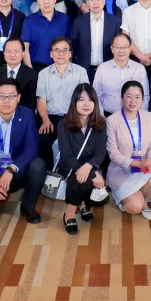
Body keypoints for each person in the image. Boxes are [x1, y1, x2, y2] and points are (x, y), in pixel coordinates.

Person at [0, 79, 46, 223]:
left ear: (18, 98)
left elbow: (32, 148)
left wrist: (12, 168)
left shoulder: (26, 115)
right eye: (2, 96)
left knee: (38, 165)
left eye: (11, 96)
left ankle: (28, 207)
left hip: (16, 169)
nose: (6, 101)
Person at [56, 84, 110, 233]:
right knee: (82, 178)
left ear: (95, 103)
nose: (86, 104)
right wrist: (91, 173)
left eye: (90, 100)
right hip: (69, 167)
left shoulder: (101, 123)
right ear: (74, 102)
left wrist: (89, 168)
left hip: (91, 165)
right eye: (81, 100)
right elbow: (67, 156)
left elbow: (101, 153)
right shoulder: (63, 124)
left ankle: (83, 204)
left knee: (85, 179)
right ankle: (70, 213)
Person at [105, 81, 151, 219]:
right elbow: (113, 154)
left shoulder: (149, 117)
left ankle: (145, 203)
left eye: (137, 97)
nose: (133, 101)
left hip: (143, 169)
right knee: (134, 208)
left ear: (142, 99)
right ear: (122, 98)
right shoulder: (112, 120)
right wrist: (138, 163)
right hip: (122, 172)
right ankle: (132, 200)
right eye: (129, 96)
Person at [35, 36, 89, 163]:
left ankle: (69, 171)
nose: (61, 53)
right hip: (50, 117)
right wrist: (45, 120)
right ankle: (47, 172)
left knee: (77, 143)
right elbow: (41, 102)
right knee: (42, 140)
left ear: (70, 54)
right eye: (57, 50)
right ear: (51, 54)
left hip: (72, 116)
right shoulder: (43, 74)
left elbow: (84, 100)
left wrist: (79, 119)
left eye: (65, 50)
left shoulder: (81, 72)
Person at [67, 0, 120, 76]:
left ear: (104, 1)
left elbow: (118, 46)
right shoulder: (79, 22)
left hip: (108, 70)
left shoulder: (115, 21)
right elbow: (73, 46)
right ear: (87, 2)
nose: (95, 3)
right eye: (92, 0)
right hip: (84, 71)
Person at [93, 33, 150, 114]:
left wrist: (141, 117)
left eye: (124, 47)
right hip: (107, 115)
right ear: (112, 49)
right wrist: (101, 117)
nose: (121, 51)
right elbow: (96, 96)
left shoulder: (139, 69)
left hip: (133, 115)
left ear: (130, 49)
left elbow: (145, 97)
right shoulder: (102, 68)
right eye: (117, 47)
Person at [21, 0, 71, 68]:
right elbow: (25, 47)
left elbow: (69, 46)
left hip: (59, 67)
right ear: (37, 0)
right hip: (36, 67)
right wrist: (30, 70)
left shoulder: (65, 19)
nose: (46, 2)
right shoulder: (29, 21)